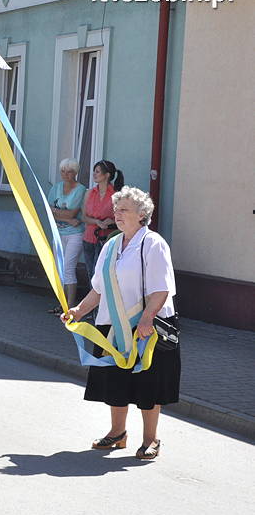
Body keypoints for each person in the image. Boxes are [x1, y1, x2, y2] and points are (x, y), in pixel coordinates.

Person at [62, 187, 178, 460]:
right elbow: (98, 288)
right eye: (116, 209)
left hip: (146, 326)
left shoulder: (153, 243)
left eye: (123, 209)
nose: (117, 214)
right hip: (113, 325)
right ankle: (117, 433)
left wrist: (148, 318)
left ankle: (151, 440)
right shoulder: (111, 244)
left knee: (148, 383)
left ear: (142, 214)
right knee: (116, 382)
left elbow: (161, 289)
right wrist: (78, 310)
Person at [47, 158, 88, 312]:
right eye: (63, 171)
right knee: (59, 269)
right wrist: (68, 219)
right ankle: (61, 304)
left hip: (75, 234)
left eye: (69, 171)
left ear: (75, 173)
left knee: (68, 268)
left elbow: (73, 212)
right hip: (58, 233)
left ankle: (70, 307)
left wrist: (63, 214)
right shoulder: (56, 188)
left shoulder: (80, 189)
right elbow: (49, 210)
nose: (65, 174)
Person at [82, 160, 124, 275]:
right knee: (91, 273)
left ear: (107, 175)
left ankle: (102, 294)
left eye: (97, 172)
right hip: (89, 238)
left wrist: (113, 221)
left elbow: (123, 217)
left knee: (100, 274)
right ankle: (93, 293)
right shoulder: (89, 193)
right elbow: (84, 217)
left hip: (107, 239)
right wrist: (97, 221)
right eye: (94, 172)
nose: (94, 174)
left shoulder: (116, 195)